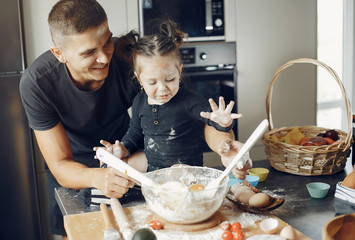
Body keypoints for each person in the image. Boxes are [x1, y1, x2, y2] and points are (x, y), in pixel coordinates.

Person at [19, 0, 248, 238]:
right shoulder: (37, 84)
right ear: (59, 54)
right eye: (88, 53)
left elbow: (191, 115)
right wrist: (98, 176)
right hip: (74, 170)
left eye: (106, 41)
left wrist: (223, 144)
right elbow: (60, 164)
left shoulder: (126, 57)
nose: (104, 58)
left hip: (127, 161)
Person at [96, 20, 250, 173]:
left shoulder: (188, 100)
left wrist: (223, 123)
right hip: (152, 168)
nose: (163, 88)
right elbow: (135, 133)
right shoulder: (139, 101)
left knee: (177, 171)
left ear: (179, 71)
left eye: (170, 79)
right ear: (139, 78)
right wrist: (123, 148)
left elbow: (210, 118)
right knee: (115, 165)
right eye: (152, 82)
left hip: (186, 170)